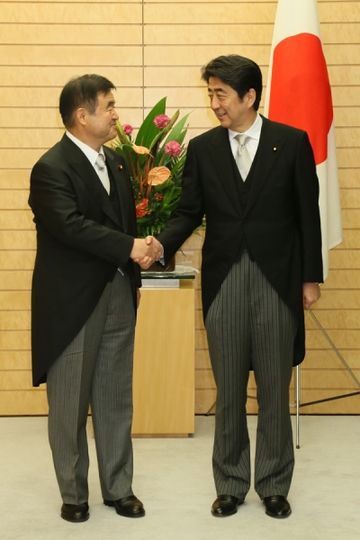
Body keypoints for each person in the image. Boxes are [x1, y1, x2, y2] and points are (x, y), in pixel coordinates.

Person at [156, 55, 323, 519]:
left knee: (273, 386)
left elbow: (309, 215)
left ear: (250, 96)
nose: (214, 104)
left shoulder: (291, 143)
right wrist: (159, 246)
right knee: (228, 390)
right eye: (210, 93)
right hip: (225, 278)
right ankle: (229, 483)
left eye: (220, 94)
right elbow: (189, 211)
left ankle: (273, 484)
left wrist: (309, 278)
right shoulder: (204, 148)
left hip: (277, 279)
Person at [28, 74, 161, 523]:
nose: (115, 114)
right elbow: (71, 227)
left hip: (118, 293)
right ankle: (73, 493)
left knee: (114, 395)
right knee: (69, 403)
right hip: (72, 303)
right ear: (82, 116)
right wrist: (129, 247)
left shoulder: (119, 164)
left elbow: (123, 225)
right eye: (109, 106)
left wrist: (137, 265)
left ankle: (119, 487)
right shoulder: (51, 168)